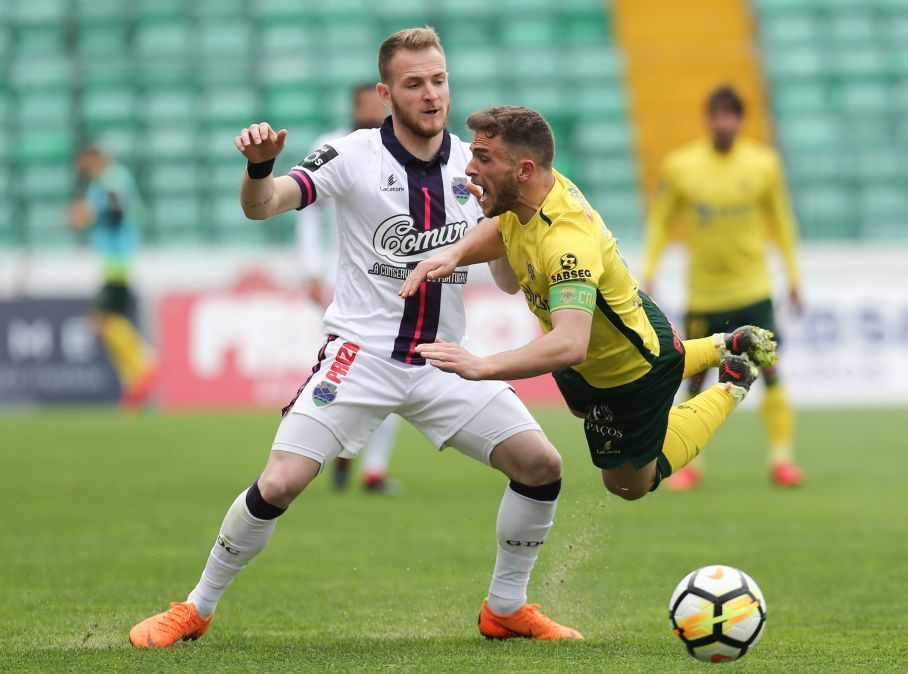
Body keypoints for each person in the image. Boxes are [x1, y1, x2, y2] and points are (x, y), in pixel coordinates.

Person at [129, 28, 581, 648]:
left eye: (439, 80)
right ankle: (195, 607)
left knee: (541, 465)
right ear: (385, 92)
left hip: (442, 360)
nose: (431, 95)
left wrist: (509, 219)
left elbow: (503, 283)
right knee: (281, 481)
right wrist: (259, 168)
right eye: (415, 83)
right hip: (359, 356)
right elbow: (263, 206)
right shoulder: (352, 155)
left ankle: (505, 607)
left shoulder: (474, 169)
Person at [400, 106, 777, 501]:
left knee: (628, 485)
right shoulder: (525, 198)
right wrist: (455, 255)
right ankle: (723, 345)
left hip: (629, 370)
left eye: (484, 158)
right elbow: (507, 269)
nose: (470, 169)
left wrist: (483, 365)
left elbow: (569, 343)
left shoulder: (567, 243)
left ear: (525, 169)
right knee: (583, 410)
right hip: (591, 353)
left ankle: (733, 384)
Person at [643, 85, 805, 490]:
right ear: (708, 118)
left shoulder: (763, 164)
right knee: (693, 381)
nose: (725, 123)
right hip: (705, 294)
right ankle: (689, 463)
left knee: (771, 372)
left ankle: (782, 459)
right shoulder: (682, 166)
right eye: (718, 115)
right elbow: (662, 219)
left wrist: (794, 278)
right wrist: (650, 268)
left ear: (741, 120)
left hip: (753, 288)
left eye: (732, 115)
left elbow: (782, 221)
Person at [296, 83, 399, 494]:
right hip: (344, 282)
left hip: (390, 281)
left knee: (394, 367)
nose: (374, 112)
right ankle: (335, 453)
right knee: (342, 372)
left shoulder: (403, 150)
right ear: (355, 107)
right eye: (366, 106)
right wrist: (311, 270)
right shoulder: (332, 146)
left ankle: (374, 468)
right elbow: (307, 214)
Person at [69, 144, 156, 409]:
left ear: (93, 158)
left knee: (101, 318)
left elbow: (116, 213)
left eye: (83, 161)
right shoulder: (102, 182)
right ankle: (136, 377)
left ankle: (144, 365)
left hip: (118, 261)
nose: (80, 169)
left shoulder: (112, 179)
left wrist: (88, 215)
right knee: (108, 321)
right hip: (113, 261)